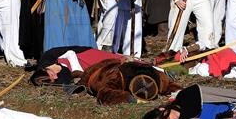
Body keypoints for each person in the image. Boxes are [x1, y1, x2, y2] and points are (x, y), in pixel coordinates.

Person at [30, 45, 181, 105]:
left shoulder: (48, 60)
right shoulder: (57, 75)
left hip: (85, 55)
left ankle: (159, 69)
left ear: (45, 69)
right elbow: (67, 79)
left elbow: (70, 53)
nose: (54, 77)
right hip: (89, 68)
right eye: (52, 80)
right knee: (117, 67)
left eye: (51, 74)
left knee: (119, 59)